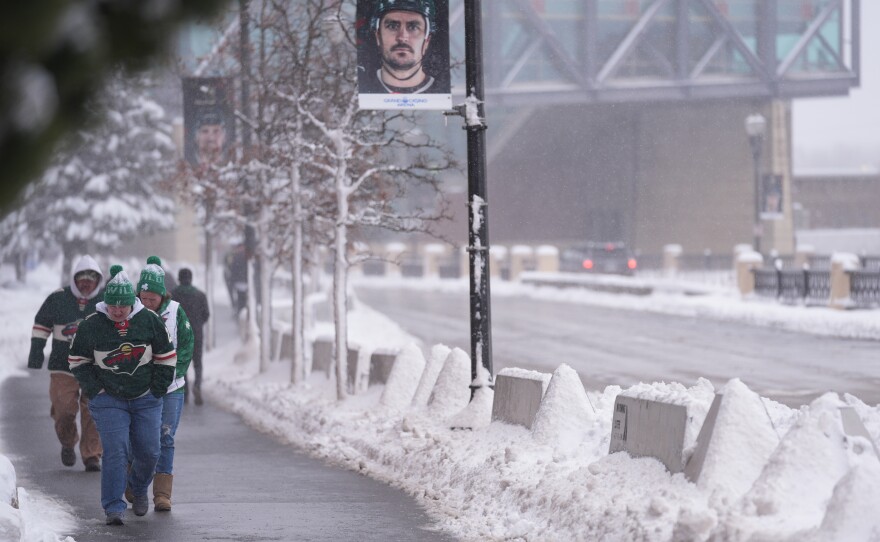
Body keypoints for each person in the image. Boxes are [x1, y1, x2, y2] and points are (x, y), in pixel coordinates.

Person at [69, 266, 177, 526]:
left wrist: (157, 389)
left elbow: (166, 357)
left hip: (145, 398)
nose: (117, 311)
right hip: (108, 400)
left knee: (150, 451)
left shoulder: (149, 321)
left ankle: (138, 488)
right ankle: (113, 506)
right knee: (116, 450)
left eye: (123, 306)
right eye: (113, 306)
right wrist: (95, 390)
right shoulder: (92, 325)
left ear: (133, 303)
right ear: (106, 304)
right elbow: (76, 360)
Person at [28, 255, 104, 471]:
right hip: (63, 365)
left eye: (92, 277)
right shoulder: (58, 299)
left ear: (98, 280)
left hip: (94, 367)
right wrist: (36, 353)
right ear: (74, 279)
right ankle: (68, 443)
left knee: (94, 410)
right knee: (63, 410)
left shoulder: (106, 302)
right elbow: (41, 325)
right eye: (82, 277)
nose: (87, 282)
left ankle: (91, 454)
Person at [136, 256, 193, 512]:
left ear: (162, 296)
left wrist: (174, 372)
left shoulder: (176, 311)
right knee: (139, 438)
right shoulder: (132, 311)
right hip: (140, 387)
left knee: (165, 437)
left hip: (171, 387)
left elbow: (187, 345)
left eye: (152, 299)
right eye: (144, 298)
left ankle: (162, 494)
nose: (147, 303)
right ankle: (134, 482)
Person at [361, 0, 438, 94]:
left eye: (413, 27)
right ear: (378, 36)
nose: (402, 37)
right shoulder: (359, 88)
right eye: (392, 26)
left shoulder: (446, 91)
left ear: (426, 41)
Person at [172, 267, 210, 406]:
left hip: (181, 333)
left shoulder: (174, 295)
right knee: (198, 362)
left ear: (179, 278)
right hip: (197, 333)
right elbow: (206, 314)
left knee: (183, 363)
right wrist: (197, 324)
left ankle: (186, 391)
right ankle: (197, 386)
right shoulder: (200, 295)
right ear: (191, 278)